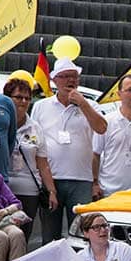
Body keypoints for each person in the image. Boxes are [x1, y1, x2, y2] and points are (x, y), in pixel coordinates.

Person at [31, 57, 108, 243]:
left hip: (81, 179)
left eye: (74, 77)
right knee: (50, 236)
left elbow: (102, 128)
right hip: (51, 180)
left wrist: (83, 104)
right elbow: (34, 140)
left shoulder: (90, 105)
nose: (70, 81)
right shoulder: (41, 106)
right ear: (54, 81)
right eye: (64, 76)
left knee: (82, 234)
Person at [4, 77, 57, 242]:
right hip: (4, 188)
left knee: (22, 238)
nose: (24, 101)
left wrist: (52, 191)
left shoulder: (35, 128)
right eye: (19, 97)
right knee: (4, 236)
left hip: (29, 191)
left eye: (27, 98)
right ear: (7, 98)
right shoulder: (0, 123)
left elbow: (43, 163)